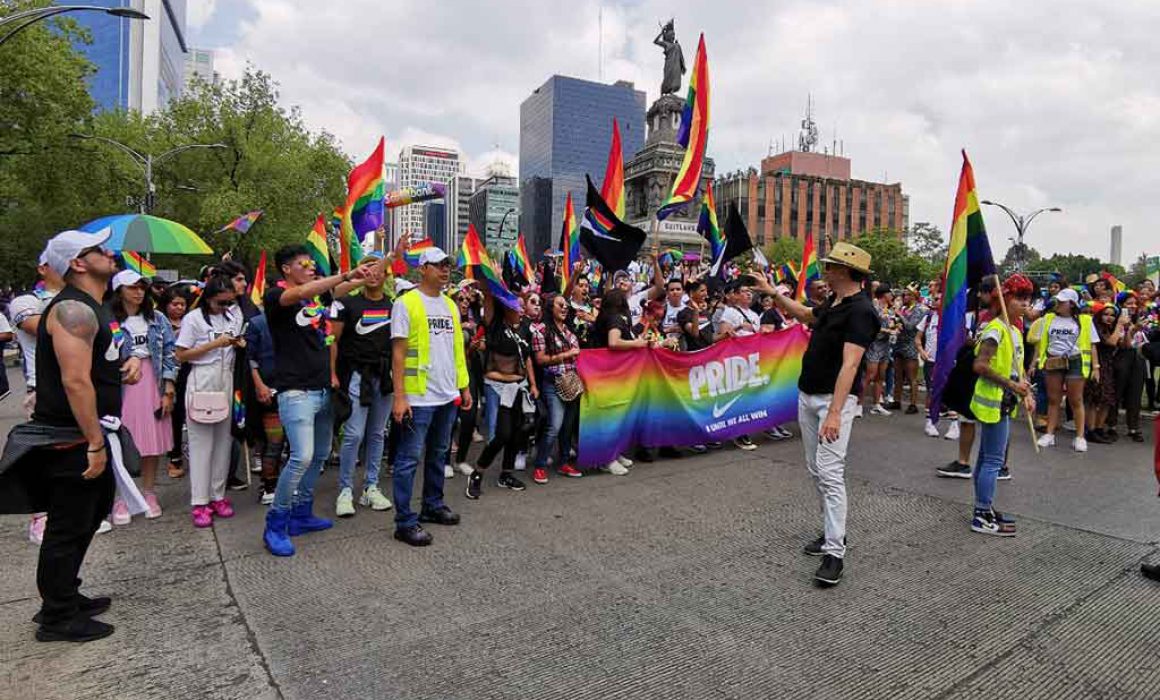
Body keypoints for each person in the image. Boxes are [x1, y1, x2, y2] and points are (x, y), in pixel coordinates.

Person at [22, 229, 142, 641]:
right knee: (67, 526)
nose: (110, 253)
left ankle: (66, 594)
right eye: (98, 250)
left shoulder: (94, 307)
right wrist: (93, 442)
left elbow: (97, 363)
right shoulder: (73, 309)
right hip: (71, 437)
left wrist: (126, 366)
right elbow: (75, 382)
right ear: (77, 263)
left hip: (89, 433)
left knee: (89, 517)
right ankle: (56, 617)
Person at [754, 242, 880, 587]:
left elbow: (851, 363)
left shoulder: (862, 311)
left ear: (845, 271)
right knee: (816, 471)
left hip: (831, 402)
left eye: (830, 265)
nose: (825, 269)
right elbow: (807, 315)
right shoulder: (834, 302)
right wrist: (772, 293)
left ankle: (835, 552)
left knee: (830, 473)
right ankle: (829, 533)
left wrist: (836, 413)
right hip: (808, 395)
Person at [261, 245, 374, 556]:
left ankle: (301, 513)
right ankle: (275, 523)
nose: (311, 267)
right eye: (304, 263)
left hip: (324, 389)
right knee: (301, 456)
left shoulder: (317, 297)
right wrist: (347, 273)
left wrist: (383, 262)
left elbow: (344, 286)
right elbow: (317, 287)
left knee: (321, 453)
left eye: (312, 263)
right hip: (296, 391)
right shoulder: (275, 296)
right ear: (286, 269)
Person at [390, 248, 471, 546]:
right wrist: (400, 397)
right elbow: (398, 354)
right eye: (438, 265)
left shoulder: (451, 305)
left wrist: (463, 387)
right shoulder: (406, 303)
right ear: (422, 268)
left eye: (447, 265)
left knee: (439, 454)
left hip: (446, 395)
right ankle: (404, 521)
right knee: (408, 459)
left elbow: (457, 352)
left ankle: (432, 505)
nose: (445, 270)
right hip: (418, 397)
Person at [968, 274, 1035, 537]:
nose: (1024, 304)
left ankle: (983, 508)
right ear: (1004, 299)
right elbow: (980, 366)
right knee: (993, 461)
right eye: (1019, 298)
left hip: (1004, 401)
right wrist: (1012, 386)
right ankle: (982, 513)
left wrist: (1025, 392)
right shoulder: (995, 329)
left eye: (1027, 299)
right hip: (992, 403)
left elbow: (1016, 369)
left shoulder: (1015, 330)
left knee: (988, 458)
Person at [175, 274, 244, 528]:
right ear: (209, 298)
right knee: (201, 444)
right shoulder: (193, 319)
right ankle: (200, 501)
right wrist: (214, 344)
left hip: (226, 380)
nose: (226, 307)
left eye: (229, 302)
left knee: (223, 443)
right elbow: (181, 355)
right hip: (202, 379)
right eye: (221, 303)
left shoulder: (234, 316)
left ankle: (218, 495)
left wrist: (237, 343)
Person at [108, 270, 177, 523]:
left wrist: (168, 389)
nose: (138, 292)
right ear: (119, 290)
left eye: (141, 287)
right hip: (122, 384)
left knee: (152, 442)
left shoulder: (157, 318)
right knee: (121, 441)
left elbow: (170, 353)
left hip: (154, 381)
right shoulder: (109, 319)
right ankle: (122, 496)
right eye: (132, 287)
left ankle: (149, 492)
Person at [7, 254, 66, 545]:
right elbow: (44, 328)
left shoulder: (79, 299)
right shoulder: (25, 301)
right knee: (45, 457)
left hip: (76, 385)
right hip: (41, 388)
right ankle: (40, 518)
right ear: (42, 268)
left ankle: (69, 514)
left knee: (75, 456)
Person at [330, 254, 395, 517]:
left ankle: (371, 487)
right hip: (357, 376)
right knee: (354, 433)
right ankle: (345, 490)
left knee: (378, 433)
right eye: (368, 268)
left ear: (387, 275)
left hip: (385, 378)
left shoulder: (395, 306)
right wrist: (332, 374)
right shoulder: (345, 304)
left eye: (379, 269)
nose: (374, 273)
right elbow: (332, 340)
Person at [466, 287, 538, 499]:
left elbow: (527, 358)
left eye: (523, 305)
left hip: (519, 387)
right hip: (497, 387)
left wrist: (533, 384)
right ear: (506, 308)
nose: (522, 308)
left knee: (518, 433)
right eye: (518, 305)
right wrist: (492, 282)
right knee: (501, 434)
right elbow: (489, 299)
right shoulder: (495, 325)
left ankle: (506, 474)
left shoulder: (525, 327)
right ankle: (477, 474)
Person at [590, 287, 651, 475]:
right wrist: (636, 343)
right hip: (608, 374)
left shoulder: (611, 317)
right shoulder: (615, 318)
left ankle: (614, 453)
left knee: (616, 416)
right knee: (610, 417)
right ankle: (606, 459)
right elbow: (614, 342)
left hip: (612, 373)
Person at [1033, 288, 1094, 452]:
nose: (1058, 303)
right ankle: (1049, 433)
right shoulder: (1048, 318)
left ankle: (1080, 436)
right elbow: (1040, 343)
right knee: (1053, 399)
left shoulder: (1085, 320)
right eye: (1057, 300)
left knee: (1076, 400)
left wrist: (1096, 367)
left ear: (1072, 304)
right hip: (1053, 360)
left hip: (1075, 361)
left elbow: (1092, 344)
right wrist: (1034, 363)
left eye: (1062, 301)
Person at [531, 293, 583, 482]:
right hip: (552, 384)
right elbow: (540, 359)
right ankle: (540, 465)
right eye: (560, 305)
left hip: (571, 385)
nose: (564, 308)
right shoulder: (541, 331)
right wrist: (566, 354)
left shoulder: (570, 332)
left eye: (566, 305)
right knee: (554, 425)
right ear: (550, 308)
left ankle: (563, 464)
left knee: (567, 427)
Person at [715, 280, 763, 451]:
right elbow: (720, 337)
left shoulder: (755, 315)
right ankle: (738, 433)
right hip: (736, 360)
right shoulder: (729, 313)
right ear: (735, 295)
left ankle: (745, 429)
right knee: (737, 396)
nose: (748, 294)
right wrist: (738, 326)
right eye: (743, 291)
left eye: (750, 291)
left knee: (749, 396)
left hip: (752, 359)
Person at [159, 288, 189, 479]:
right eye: (175, 304)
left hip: (188, 370)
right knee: (174, 415)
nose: (179, 308)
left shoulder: (191, 322)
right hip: (169, 372)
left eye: (182, 304)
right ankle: (174, 454)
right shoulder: (159, 322)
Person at [1084, 302, 1123, 444]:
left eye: (1113, 315)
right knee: (1095, 399)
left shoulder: (1111, 328)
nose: (1109, 318)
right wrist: (1119, 325)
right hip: (1097, 365)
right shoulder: (1097, 328)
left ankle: (1099, 429)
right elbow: (1112, 342)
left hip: (1108, 365)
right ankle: (1091, 430)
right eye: (1106, 314)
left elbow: (1124, 344)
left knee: (1107, 399)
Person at [891, 285, 926, 414]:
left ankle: (913, 404)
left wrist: (900, 315)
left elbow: (911, 326)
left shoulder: (919, 309)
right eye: (904, 295)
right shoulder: (904, 308)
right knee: (897, 375)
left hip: (910, 344)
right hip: (899, 343)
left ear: (913, 296)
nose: (904, 297)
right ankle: (896, 400)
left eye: (907, 295)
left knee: (912, 376)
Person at [862, 286, 896, 415]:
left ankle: (876, 404)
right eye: (889, 293)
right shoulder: (873, 307)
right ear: (883, 294)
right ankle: (858, 404)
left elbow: (893, 324)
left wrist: (895, 329)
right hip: (874, 344)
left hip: (886, 345)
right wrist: (887, 330)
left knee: (881, 376)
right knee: (870, 375)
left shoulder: (891, 310)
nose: (892, 296)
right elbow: (870, 327)